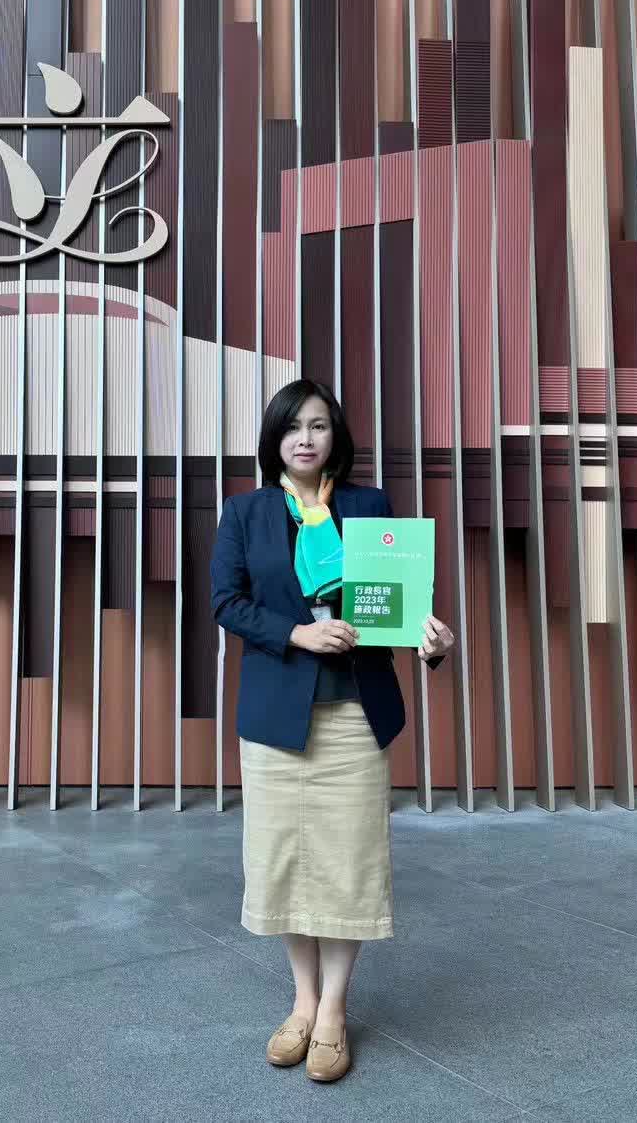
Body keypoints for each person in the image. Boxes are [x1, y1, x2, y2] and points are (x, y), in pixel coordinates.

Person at [209, 378, 455, 1083]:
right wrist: (297, 633)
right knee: (285, 860)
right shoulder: (247, 512)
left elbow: (396, 604)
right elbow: (226, 601)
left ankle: (335, 1011)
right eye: (293, 427)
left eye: (318, 425)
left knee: (348, 863)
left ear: (335, 436)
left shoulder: (368, 507)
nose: (306, 438)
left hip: (352, 710)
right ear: (275, 439)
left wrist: (431, 642)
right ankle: (302, 1000)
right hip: (276, 718)